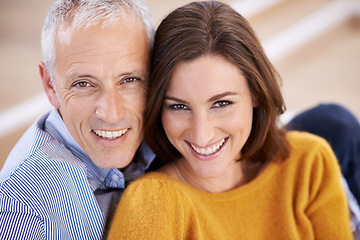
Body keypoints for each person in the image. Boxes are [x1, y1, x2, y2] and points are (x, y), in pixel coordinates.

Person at [107, 1, 353, 239]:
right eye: (179, 106)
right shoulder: (152, 205)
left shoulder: (309, 163)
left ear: (256, 93)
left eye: (221, 103)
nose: (202, 134)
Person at [0, 0, 155, 239]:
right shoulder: (22, 207)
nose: (111, 114)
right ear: (50, 85)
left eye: (130, 80)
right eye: (83, 84)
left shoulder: (177, 133)